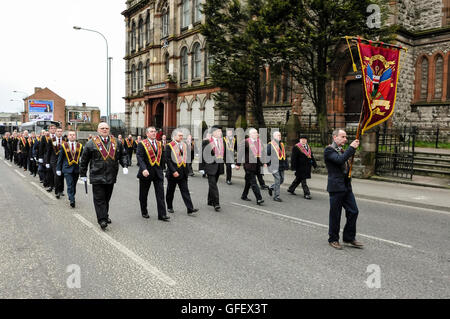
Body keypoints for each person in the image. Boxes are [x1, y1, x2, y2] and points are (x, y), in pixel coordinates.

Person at [79, 122, 129, 229]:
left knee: (107, 197)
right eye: (102, 128)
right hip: (97, 175)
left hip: (111, 175)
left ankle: (105, 215)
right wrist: (82, 173)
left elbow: (123, 154)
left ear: (109, 129)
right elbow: (84, 160)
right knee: (99, 198)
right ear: (98, 130)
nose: (104, 130)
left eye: (106, 128)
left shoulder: (116, 142)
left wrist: (125, 165)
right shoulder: (91, 143)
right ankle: (102, 219)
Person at [325, 128, 363, 250]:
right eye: (343, 137)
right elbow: (339, 160)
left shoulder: (341, 150)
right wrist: (351, 148)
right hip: (336, 187)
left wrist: (351, 151)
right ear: (335, 137)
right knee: (335, 215)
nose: (345, 139)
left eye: (346, 137)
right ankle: (333, 239)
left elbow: (345, 163)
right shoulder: (329, 150)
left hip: (346, 186)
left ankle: (349, 237)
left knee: (353, 211)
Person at [136, 126, 170, 221]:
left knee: (160, 194)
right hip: (146, 172)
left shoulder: (159, 144)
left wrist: (164, 169)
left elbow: (162, 157)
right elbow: (139, 157)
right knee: (143, 194)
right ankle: (144, 211)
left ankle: (162, 214)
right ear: (147, 134)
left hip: (158, 173)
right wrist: (143, 169)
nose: (154, 133)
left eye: (155, 131)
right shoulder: (142, 144)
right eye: (151, 131)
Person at [165, 129, 198, 215]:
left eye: (182, 136)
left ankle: (190, 208)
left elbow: (186, 158)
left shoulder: (184, 145)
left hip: (183, 172)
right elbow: (168, 160)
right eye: (179, 135)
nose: (181, 137)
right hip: (173, 173)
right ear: (174, 136)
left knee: (185, 190)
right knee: (170, 191)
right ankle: (169, 206)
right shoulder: (169, 146)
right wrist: (173, 171)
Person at [199, 126, 226, 211]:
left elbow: (226, 154)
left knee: (213, 184)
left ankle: (210, 200)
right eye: (218, 131)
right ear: (213, 133)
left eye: (220, 131)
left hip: (219, 166)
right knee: (213, 185)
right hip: (210, 166)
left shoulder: (222, 141)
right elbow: (202, 155)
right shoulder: (207, 141)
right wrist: (201, 168)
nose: (220, 133)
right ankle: (216, 203)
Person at [236, 128, 264, 205]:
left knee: (248, 181)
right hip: (249, 165)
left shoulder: (259, 142)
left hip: (257, 165)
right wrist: (238, 164)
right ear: (250, 134)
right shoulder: (245, 142)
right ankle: (259, 199)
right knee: (254, 182)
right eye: (255, 133)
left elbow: (262, 152)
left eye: (257, 133)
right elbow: (240, 154)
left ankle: (244, 195)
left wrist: (264, 162)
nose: (257, 134)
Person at [57, 131, 83, 208]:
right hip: (67, 169)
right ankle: (72, 199)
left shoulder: (80, 146)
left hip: (76, 169)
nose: (72, 136)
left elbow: (82, 158)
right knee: (70, 184)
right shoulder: (64, 146)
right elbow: (60, 158)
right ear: (68, 136)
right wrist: (58, 168)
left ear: (76, 136)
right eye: (70, 135)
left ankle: (72, 195)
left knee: (74, 185)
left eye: (73, 135)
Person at [267, 131, 289, 202]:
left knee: (282, 180)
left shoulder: (281, 144)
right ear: (274, 137)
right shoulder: (270, 145)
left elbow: (284, 156)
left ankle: (271, 187)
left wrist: (286, 164)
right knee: (278, 179)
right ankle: (276, 196)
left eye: (280, 135)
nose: (280, 136)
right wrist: (268, 164)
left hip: (281, 165)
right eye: (278, 135)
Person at [46, 127, 65, 198]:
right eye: (58, 131)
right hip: (54, 160)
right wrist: (47, 162)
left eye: (61, 131)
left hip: (62, 161)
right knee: (57, 175)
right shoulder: (51, 140)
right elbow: (48, 152)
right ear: (55, 132)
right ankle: (57, 191)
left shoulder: (64, 140)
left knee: (62, 175)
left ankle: (61, 190)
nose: (59, 132)